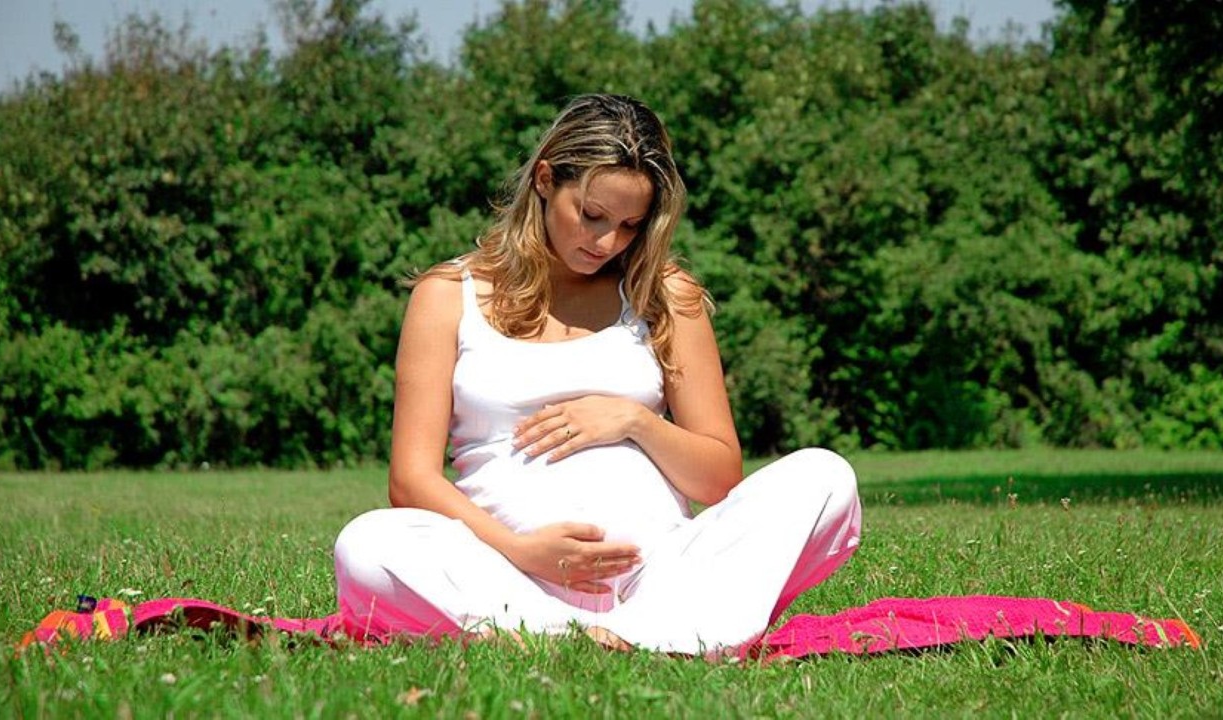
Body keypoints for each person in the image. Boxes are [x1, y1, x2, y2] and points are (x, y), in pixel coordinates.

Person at [333, 94, 862, 655]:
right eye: (591, 215)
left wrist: (634, 421)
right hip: (507, 573)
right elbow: (411, 480)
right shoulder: (447, 296)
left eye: (630, 225)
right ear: (544, 181)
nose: (607, 242)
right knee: (367, 543)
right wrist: (521, 551)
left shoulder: (665, 293)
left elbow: (718, 479)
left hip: (661, 574)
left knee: (825, 476)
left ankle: (626, 632)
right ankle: (608, 635)